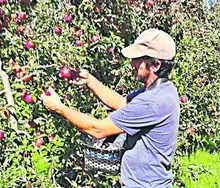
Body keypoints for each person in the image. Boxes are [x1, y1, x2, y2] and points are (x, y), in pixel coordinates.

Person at [41, 28, 180, 188]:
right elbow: (121, 102)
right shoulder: (161, 89)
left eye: (137, 59)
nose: (132, 63)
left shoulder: (153, 101)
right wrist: (90, 81)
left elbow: (97, 129)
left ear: (155, 65)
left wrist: (59, 108)